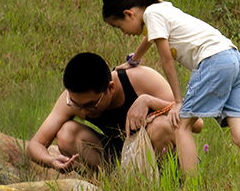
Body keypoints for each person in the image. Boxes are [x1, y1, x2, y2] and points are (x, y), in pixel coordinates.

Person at [101, 0, 240, 173]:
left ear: (129, 14)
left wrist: (178, 101)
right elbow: (150, 37)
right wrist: (134, 60)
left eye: (119, 27)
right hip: (233, 59)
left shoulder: (151, 15)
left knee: (181, 125)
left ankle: (191, 188)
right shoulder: (161, 8)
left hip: (214, 61)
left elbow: (166, 60)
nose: (123, 33)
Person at [26, 51, 185, 173]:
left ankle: (169, 185)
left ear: (110, 88)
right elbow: (35, 144)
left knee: (160, 126)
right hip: (121, 156)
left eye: (90, 105)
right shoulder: (72, 100)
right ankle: (116, 186)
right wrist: (50, 161)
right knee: (67, 134)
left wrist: (148, 101)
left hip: (166, 156)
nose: (83, 110)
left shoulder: (141, 79)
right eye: (76, 104)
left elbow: (196, 123)